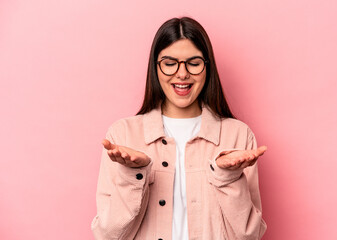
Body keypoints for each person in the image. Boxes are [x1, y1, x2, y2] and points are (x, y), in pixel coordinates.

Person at [91, 16, 267, 240]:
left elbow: (250, 235)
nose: (182, 73)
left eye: (193, 63)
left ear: (207, 67)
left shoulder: (238, 136)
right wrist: (133, 174)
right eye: (169, 63)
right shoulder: (123, 135)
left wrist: (228, 177)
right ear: (156, 67)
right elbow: (107, 235)